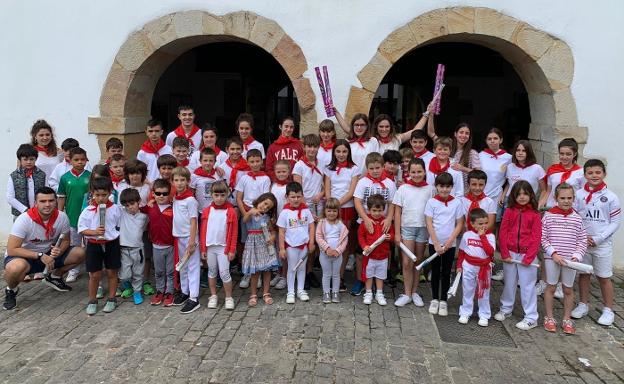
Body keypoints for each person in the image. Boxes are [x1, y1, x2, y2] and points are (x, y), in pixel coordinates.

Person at [3, 187, 85, 310]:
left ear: (56, 201)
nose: (47, 204)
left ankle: (55, 277)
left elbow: (66, 240)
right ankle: (11, 289)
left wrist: (59, 250)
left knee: (81, 252)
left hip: (48, 255)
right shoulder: (24, 219)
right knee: (15, 268)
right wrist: (40, 255)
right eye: (43, 201)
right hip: (24, 256)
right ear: (35, 203)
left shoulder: (62, 217)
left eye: (51, 201)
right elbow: (12, 249)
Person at [572, 159, 621, 326]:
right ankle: (583, 304)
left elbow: (615, 222)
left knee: (604, 277)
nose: (594, 175)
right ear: (585, 175)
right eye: (590, 173)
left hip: (602, 244)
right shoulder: (578, 195)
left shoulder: (611, 197)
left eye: (598, 172)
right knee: (584, 274)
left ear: (604, 174)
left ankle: (608, 310)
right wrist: (582, 236)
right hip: (583, 242)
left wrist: (599, 238)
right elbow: (575, 216)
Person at [541, 183, 587, 334]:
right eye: (562, 198)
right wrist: (553, 253)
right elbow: (543, 238)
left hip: (570, 260)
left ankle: (567, 318)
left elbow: (582, 240)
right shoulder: (548, 216)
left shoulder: (577, 219)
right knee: (551, 287)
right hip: (552, 258)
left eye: (569, 198)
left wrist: (577, 256)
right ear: (556, 198)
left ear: (574, 198)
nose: (566, 201)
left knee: (568, 289)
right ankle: (549, 317)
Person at [495, 181, 541, 330]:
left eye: (525, 194)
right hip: (511, 253)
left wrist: (529, 257)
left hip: (527, 255)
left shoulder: (534, 214)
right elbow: (503, 232)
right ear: (514, 196)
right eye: (519, 194)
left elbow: (536, 237)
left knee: (527, 286)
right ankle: (506, 309)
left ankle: (531, 317)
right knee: (509, 282)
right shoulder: (509, 211)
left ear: (530, 195)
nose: (522, 197)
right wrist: (505, 252)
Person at [353, 152, 396, 296]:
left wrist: (389, 218)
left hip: (382, 223)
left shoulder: (389, 183)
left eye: (378, 167)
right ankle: (361, 280)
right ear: (367, 168)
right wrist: (365, 218)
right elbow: (358, 201)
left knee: (382, 252)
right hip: (365, 222)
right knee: (362, 253)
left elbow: (391, 203)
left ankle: (380, 282)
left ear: (383, 167)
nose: (375, 171)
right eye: (371, 168)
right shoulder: (363, 182)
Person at [78, 177, 122, 315]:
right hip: (94, 244)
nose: (101, 198)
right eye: (97, 195)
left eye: (104, 195)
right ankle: (92, 300)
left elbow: (119, 226)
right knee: (95, 274)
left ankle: (112, 298)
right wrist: (94, 232)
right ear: (92, 194)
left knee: (111, 272)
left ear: (110, 193)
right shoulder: (88, 211)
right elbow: (82, 229)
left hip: (111, 243)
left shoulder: (115, 209)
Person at [393, 158, 432, 307]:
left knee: (418, 261)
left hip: (423, 228)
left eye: (419, 172)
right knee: (407, 261)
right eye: (413, 172)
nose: (416, 175)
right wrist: (397, 233)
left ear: (424, 172)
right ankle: (407, 293)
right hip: (407, 228)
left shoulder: (430, 189)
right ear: (408, 173)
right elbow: (397, 212)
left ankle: (415, 292)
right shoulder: (403, 189)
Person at [424, 172, 464, 316]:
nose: (444, 190)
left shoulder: (457, 203)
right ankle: (434, 299)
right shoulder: (431, 202)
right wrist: (435, 242)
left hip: (450, 245)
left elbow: (459, 224)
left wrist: (448, 243)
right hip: (434, 243)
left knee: (446, 272)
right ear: (437, 187)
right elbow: (429, 222)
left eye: (448, 187)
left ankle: (443, 300)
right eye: (441, 186)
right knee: (435, 271)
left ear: (452, 187)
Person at [323, 139, 360, 289]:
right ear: (334, 152)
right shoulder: (328, 169)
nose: (341, 154)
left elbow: (351, 192)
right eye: (338, 151)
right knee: (330, 240)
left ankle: (340, 276)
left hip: (346, 208)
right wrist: (331, 206)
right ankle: (329, 275)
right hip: (331, 209)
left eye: (344, 151)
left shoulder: (354, 169)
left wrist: (337, 205)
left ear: (348, 153)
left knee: (342, 244)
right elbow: (327, 189)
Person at [200, 181, 239, 310]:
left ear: (227, 194)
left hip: (223, 248)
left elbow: (234, 232)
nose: (219, 198)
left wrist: (232, 249)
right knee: (211, 272)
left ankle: (228, 297)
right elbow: (203, 230)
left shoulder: (231, 211)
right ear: (211, 195)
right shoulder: (207, 211)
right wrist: (203, 248)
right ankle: (213, 296)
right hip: (210, 246)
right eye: (216, 195)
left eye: (222, 195)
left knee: (224, 272)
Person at [236, 149, 271, 289]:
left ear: (262, 162)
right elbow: (239, 198)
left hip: (260, 214)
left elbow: (265, 197)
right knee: (246, 244)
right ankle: (248, 272)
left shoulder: (265, 178)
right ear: (247, 162)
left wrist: (259, 211)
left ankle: (260, 272)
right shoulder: (244, 178)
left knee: (260, 244)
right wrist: (247, 212)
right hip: (247, 213)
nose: (255, 164)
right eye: (252, 161)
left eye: (257, 161)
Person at [292, 134, 324, 289]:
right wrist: (307, 210)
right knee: (305, 240)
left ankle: (310, 271)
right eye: (309, 146)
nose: (312, 149)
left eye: (315, 146)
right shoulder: (299, 165)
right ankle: (301, 272)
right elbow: (297, 189)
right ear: (304, 148)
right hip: (304, 206)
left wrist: (321, 194)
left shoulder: (322, 164)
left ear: (318, 148)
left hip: (319, 205)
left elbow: (325, 184)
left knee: (315, 241)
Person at [456, 208, 496, 326]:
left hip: (484, 267)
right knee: (468, 290)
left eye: (486, 223)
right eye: (480, 224)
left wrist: (482, 237)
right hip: (468, 266)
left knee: (483, 291)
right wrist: (459, 265)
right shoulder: (467, 235)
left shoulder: (490, 236)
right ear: (472, 224)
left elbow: (490, 251)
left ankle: (484, 314)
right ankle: (465, 312)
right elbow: (462, 251)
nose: (483, 226)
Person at [278, 182, 315, 304]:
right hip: (291, 245)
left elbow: (311, 226)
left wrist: (311, 242)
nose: (296, 199)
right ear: (287, 197)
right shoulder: (285, 212)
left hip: (303, 245)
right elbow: (281, 231)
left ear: (302, 196)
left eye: (299, 196)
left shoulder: (306, 210)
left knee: (302, 268)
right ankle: (290, 292)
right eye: (293, 197)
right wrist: (282, 248)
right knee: (292, 268)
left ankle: (300, 290)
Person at [57, 147, 91, 283]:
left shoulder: (90, 176)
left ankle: (91, 269)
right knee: (74, 245)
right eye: (76, 160)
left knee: (90, 245)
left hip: (89, 219)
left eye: (82, 159)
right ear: (70, 160)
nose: (80, 162)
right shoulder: (65, 178)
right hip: (72, 217)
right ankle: (73, 271)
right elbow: (61, 197)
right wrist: (60, 214)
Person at [171, 166, 201, 313]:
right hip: (179, 236)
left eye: (182, 180)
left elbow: (193, 220)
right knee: (182, 265)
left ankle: (194, 298)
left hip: (190, 238)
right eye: (176, 180)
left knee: (193, 266)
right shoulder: (176, 197)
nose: (180, 183)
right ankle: (184, 291)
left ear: (188, 181)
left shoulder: (190, 200)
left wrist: (192, 241)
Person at [241, 192, 279, 307]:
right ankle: (253, 294)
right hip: (253, 244)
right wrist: (250, 212)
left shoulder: (267, 217)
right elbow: (244, 220)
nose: (265, 207)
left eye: (268, 207)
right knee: (255, 271)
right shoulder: (251, 214)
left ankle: (266, 293)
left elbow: (272, 231)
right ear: (260, 200)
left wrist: (272, 238)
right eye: (265, 203)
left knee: (267, 270)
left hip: (265, 244)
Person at [143, 179, 175, 307]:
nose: (161, 196)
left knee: (171, 272)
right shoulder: (149, 208)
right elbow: (133, 209)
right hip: (156, 246)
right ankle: (160, 291)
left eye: (164, 193)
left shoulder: (174, 208)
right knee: (159, 271)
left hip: (171, 245)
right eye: (158, 193)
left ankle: (170, 292)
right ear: (153, 194)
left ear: (170, 194)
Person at [358, 194, 393, 306]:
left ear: (383, 210)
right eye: (374, 210)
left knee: (380, 275)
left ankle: (379, 292)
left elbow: (392, 233)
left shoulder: (386, 222)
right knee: (369, 275)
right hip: (370, 255)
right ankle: (368, 292)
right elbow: (361, 236)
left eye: (380, 210)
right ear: (369, 209)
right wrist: (364, 246)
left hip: (382, 255)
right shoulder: (365, 222)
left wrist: (390, 237)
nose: (377, 213)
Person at [428, 120, 481, 189]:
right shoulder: (445, 146)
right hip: (443, 189)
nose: (464, 135)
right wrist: (431, 114)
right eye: (461, 132)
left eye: (467, 133)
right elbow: (431, 133)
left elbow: (479, 175)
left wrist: (462, 168)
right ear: (455, 134)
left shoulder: (472, 153)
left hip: (463, 192)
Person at [118, 188, 148, 305]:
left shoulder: (144, 217)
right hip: (124, 248)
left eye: (132, 204)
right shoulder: (122, 213)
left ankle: (137, 291)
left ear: (139, 201)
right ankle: (127, 285)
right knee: (125, 275)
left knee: (138, 272)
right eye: (127, 205)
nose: (130, 207)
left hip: (138, 249)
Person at [315, 198, 348, 303]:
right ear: (325, 211)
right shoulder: (322, 223)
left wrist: (338, 251)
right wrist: (327, 248)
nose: (331, 213)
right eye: (329, 210)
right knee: (326, 274)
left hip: (337, 255)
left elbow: (344, 240)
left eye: (334, 211)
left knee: (336, 274)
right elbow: (318, 237)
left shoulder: (341, 225)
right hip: (325, 255)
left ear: (338, 211)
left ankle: (335, 292)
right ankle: (326, 293)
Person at [539, 137, 584, 210]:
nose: (564, 157)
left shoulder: (581, 172)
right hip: (552, 208)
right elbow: (548, 191)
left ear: (574, 154)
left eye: (568, 154)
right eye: (562, 154)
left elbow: (583, 194)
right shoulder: (552, 170)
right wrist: (540, 204)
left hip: (572, 210)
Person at [499, 140, 546, 206]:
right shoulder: (510, 166)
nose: (520, 153)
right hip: (509, 202)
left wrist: (539, 204)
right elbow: (509, 184)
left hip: (528, 203)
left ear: (529, 153)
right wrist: (503, 195)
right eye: (518, 150)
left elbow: (544, 190)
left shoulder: (537, 168)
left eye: (524, 151)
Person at [334, 109, 380, 174]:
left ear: (367, 126)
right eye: (356, 125)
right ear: (352, 126)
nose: (359, 127)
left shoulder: (373, 141)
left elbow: (377, 161)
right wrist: (336, 113)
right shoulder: (347, 142)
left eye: (362, 125)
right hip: (350, 179)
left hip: (367, 180)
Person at [7, 144, 46, 219]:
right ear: (20, 160)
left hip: (39, 213)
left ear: (36, 159)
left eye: (31, 159)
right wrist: (24, 210)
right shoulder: (14, 176)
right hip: (20, 214)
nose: (29, 162)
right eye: (25, 159)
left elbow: (45, 193)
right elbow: (9, 197)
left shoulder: (42, 174)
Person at [269, 160, 290, 290]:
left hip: (287, 223)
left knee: (285, 248)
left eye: (284, 171)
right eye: (279, 172)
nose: (281, 174)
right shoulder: (273, 186)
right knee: (277, 248)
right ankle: (278, 272)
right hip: (275, 221)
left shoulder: (290, 186)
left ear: (289, 171)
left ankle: (285, 275)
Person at [479, 128, 512, 207]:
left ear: (501, 140)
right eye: (489, 139)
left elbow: (510, 180)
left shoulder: (508, 158)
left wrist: (504, 195)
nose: (492, 141)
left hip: (497, 196)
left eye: (495, 138)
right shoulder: (480, 155)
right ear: (486, 141)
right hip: (480, 194)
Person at [266, 117, 303, 181]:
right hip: (278, 183)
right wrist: (278, 179)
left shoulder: (298, 145)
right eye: (286, 126)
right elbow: (269, 168)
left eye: (291, 127)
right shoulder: (272, 147)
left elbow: (303, 165)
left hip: (294, 183)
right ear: (280, 127)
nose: (288, 129)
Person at [30, 119, 63, 183]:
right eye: (41, 135)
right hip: (37, 190)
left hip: (55, 190)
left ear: (51, 136)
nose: (45, 138)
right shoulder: (29, 152)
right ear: (35, 136)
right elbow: (20, 175)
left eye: (47, 134)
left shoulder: (60, 153)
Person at [191, 148, 223, 213]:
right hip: (200, 211)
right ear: (200, 161)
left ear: (215, 161)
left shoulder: (218, 175)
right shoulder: (195, 176)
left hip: (215, 210)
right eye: (205, 160)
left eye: (211, 161)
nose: (208, 163)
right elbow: (191, 194)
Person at [221, 137, 250, 206]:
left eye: (238, 149)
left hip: (243, 204)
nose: (235, 152)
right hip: (225, 204)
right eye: (232, 149)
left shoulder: (248, 168)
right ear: (227, 150)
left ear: (242, 150)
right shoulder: (221, 167)